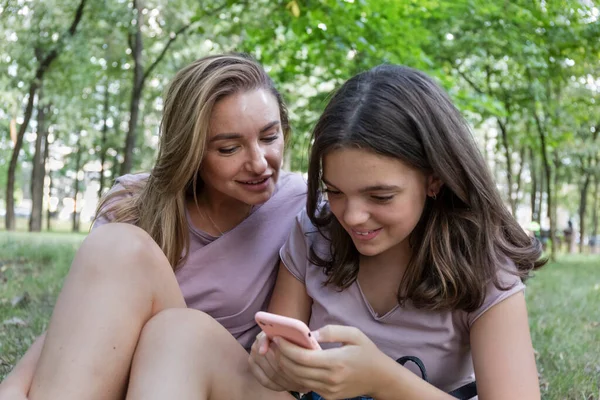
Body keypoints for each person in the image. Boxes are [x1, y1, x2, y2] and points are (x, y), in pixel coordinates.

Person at [0, 53, 306, 400]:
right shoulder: (134, 201)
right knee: (119, 246)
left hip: (238, 384)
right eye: (229, 148)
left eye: (270, 136)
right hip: (141, 386)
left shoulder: (303, 206)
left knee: (179, 332)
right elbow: (81, 322)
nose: (259, 162)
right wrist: (12, 387)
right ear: (191, 151)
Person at [247, 65, 546, 399]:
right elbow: (283, 369)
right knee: (193, 334)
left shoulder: (483, 262)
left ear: (434, 179)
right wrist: (277, 363)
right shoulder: (315, 234)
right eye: (336, 192)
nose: (353, 216)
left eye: (380, 196)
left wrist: (381, 380)